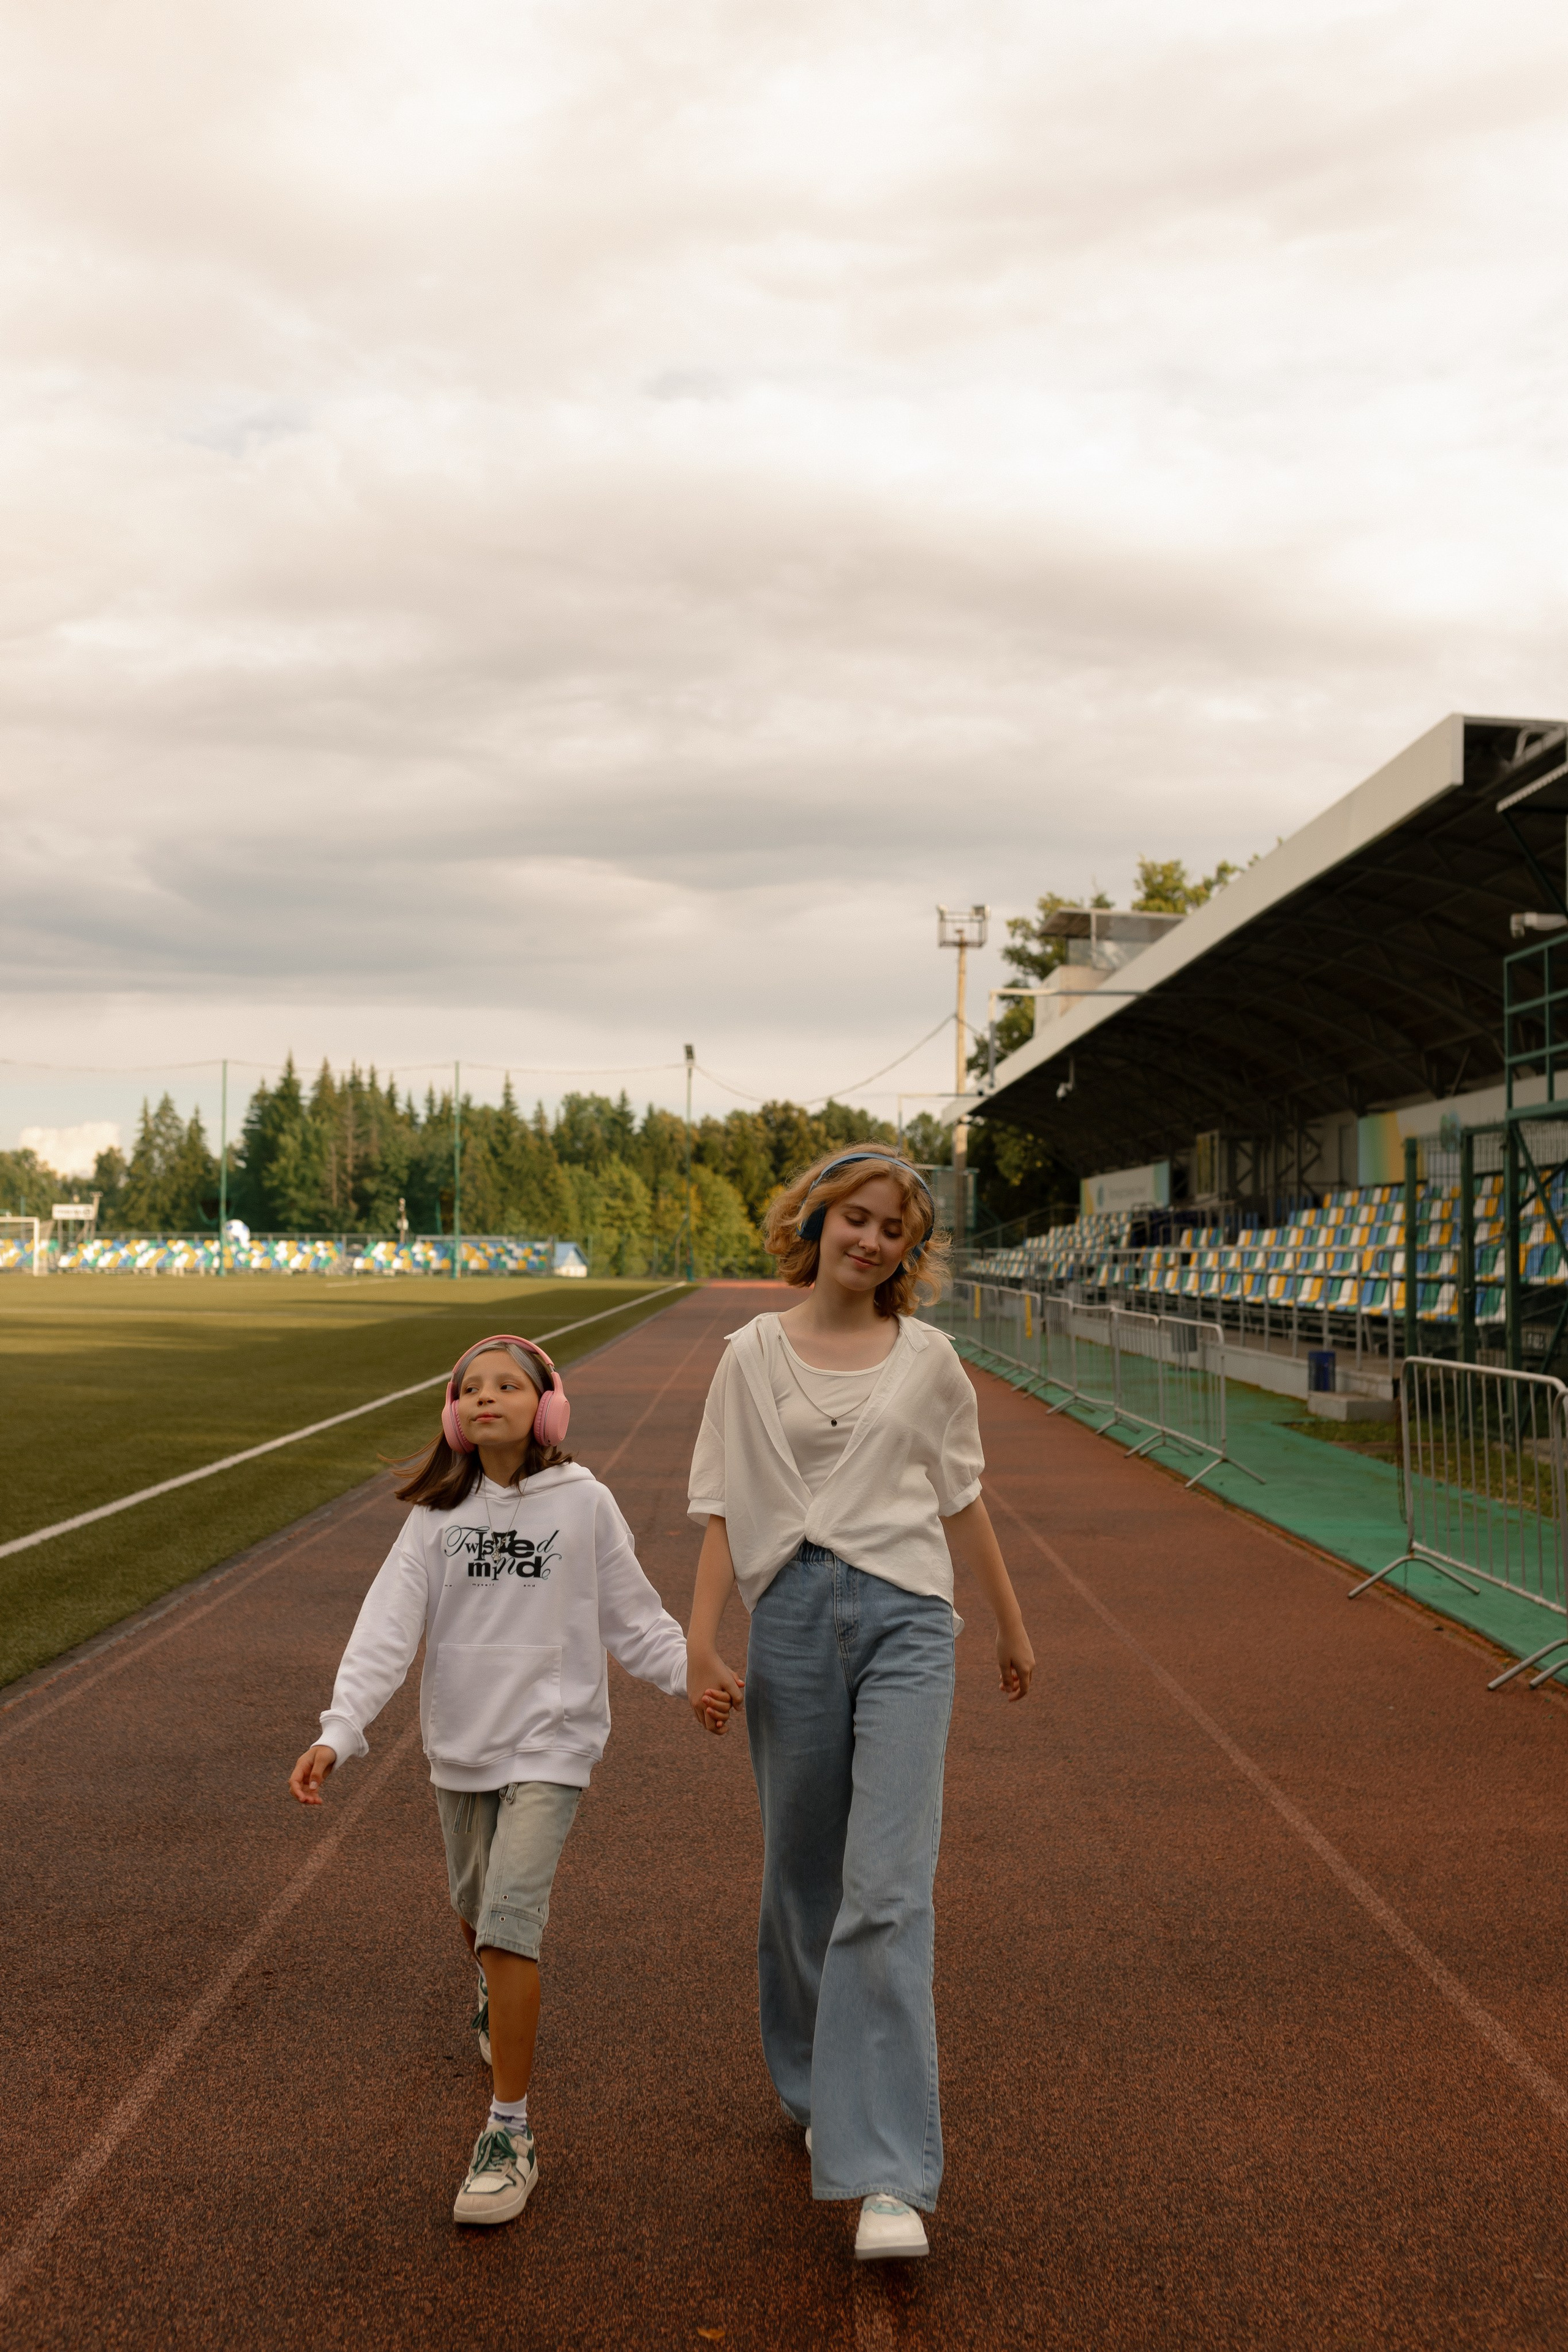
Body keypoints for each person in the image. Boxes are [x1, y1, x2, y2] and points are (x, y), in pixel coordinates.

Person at [685, 1152, 1035, 2262]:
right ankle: (807, 2082)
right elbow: (716, 1508)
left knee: (885, 1885)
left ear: (907, 1252)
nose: (873, 1240)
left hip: (907, 1624)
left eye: (895, 1230)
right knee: (801, 1876)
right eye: (857, 1218)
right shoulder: (747, 1358)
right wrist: (699, 1637)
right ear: (818, 1221)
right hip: (788, 1621)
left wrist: (1012, 1627)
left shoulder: (931, 1362)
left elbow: (962, 1500)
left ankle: (886, 2169)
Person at [288, 1333, 689, 2228]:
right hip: (461, 1750)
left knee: (510, 1927)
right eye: (471, 1389)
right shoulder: (435, 1516)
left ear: (548, 1407)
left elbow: (635, 1616)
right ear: (453, 1415)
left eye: (509, 1385)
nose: (486, 1398)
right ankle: (488, 1979)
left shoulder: (584, 1504)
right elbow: (385, 1628)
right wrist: (340, 1731)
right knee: (475, 1915)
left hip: (552, 1746)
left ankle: (510, 2131)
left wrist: (692, 1674)